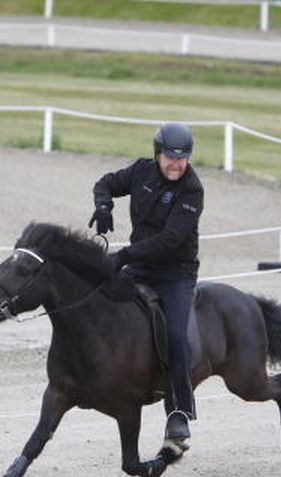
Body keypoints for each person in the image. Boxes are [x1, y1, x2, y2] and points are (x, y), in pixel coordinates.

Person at [90, 122, 203, 449]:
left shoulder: (193, 190)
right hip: (139, 265)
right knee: (99, 302)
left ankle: (179, 411)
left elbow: (169, 241)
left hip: (175, 273)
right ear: (158, 154)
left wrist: (123, 256)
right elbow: (105, 184)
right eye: (170, 157)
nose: (176, 165)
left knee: (177, 338)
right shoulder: (141, 171)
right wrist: (103, 205)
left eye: (182, 159)